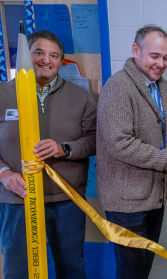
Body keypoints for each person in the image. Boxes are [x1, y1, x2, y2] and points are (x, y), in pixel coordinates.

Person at [96, 25, 167, 279]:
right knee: (131, 272)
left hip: (155, 198)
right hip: (125, 202)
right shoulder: (118, 87)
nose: (161, 63)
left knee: (143, 270)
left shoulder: (165, 89)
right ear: (136, 50)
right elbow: (120, 144)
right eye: (155, 56)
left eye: (165, 57)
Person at [0, 30, 97, 279]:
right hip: (17, 200)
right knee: (19, 269)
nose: (47, 60)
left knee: (71, 268)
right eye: (39, 53)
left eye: (54, 55)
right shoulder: (2, 94)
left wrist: (64, 149)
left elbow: (94, 140)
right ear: (25, 55)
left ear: (61, 61)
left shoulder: (81, 98)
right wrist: (4, 174)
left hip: (66, 199)